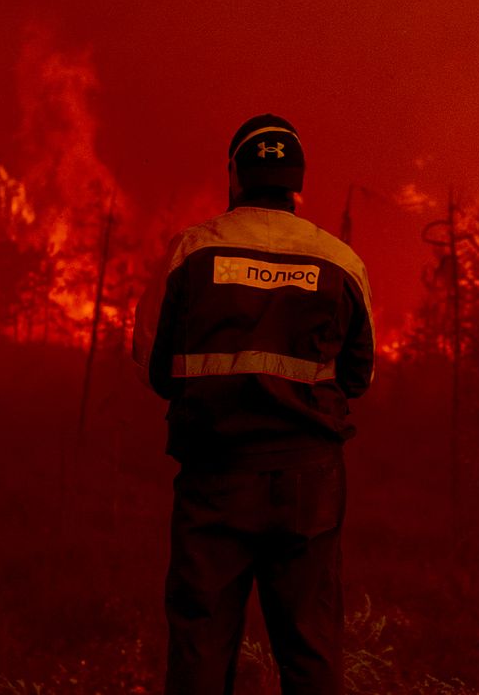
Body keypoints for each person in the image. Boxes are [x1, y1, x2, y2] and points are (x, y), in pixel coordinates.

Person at [133, 113, 375, 695]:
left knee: (200, 649)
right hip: (308, 486)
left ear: (234, 177)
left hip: (215, 482)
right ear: (298, 185)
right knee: (311, 649)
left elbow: (154, 367)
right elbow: (358, 376)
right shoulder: (341, 263)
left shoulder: (191, 253)